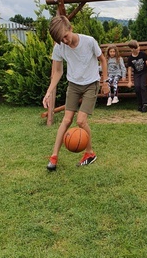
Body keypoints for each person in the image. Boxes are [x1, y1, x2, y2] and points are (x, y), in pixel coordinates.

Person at [43, 15, 109, 171]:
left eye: (65, 36)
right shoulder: (59, 47)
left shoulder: (89, 41)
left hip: (91, 84)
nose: (64, 41)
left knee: (80, 121)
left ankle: (89, 153)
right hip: (73, 84)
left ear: (70, 28)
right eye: (61, 40)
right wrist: (48, 92)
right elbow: (57, 72)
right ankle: (54, 157)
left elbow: (103, 60)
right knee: (66, 120)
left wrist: (105, 82)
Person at [127, 40, 147, 112]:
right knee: (137, 87)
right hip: (136, 74)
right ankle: (139, 103)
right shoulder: (130, 58)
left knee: (142, 86)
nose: (139, 48)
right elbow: (129, 69)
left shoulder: (143, 54)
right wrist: (129, 81)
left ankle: (145, 104)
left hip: (144, 73)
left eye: (138, 46)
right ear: (132, 49)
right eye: (137, 47)